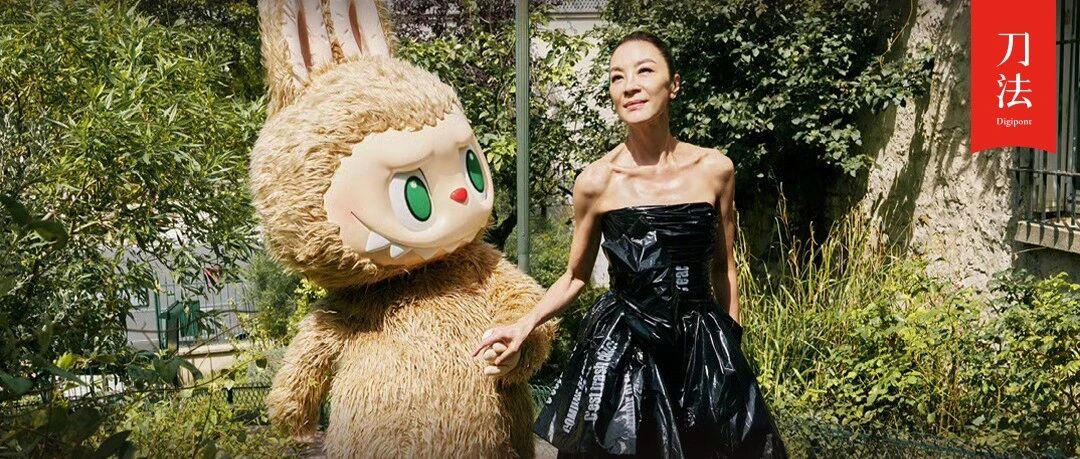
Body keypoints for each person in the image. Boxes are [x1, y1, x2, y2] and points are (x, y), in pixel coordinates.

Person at [473, 31, 788, 458]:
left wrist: (730, 345)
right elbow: (575, 276)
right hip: (626, 351)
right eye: (617, 77)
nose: (630, 86)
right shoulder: (596, 181)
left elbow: (723, 267)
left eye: (644, 71)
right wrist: (522, 326)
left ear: (673, 85)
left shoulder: (716, 169)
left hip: (701, 347)